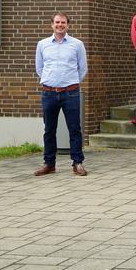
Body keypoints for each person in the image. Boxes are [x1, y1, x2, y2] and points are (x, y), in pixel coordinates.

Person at [34, 12, 88, 176]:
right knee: (49, 129)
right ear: (52, 24)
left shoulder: (77, 44)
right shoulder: (42, 44)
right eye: (57, 22)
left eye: (63, 22)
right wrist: (52, 81)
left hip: (70, 93)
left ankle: (77, 163)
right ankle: (49, 163)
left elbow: (82, 68)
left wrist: (69, 82)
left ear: (68, 25)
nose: (60, 25)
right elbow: (39, 68)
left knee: (74, 129)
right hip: (49, 93)